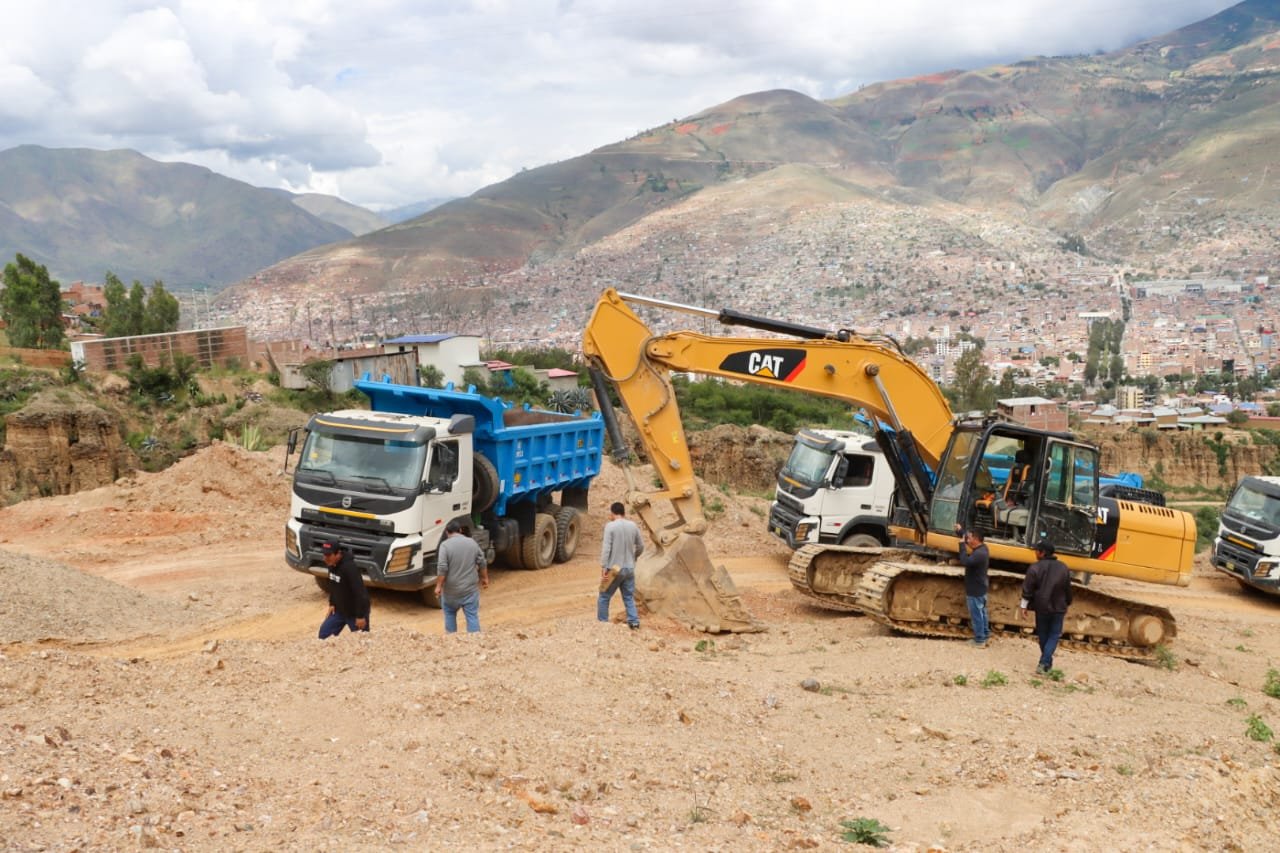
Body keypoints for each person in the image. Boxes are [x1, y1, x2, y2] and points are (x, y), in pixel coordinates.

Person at [1020, 541, 1073, 674]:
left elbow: (1027, 589)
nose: (1035, 553)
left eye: (1036, 551)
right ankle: (1046, 663)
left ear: (1042, 552)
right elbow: (1068, 588)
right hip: (1059, 608)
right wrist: (1068, 602)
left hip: (1041, 607)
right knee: (1054, 635)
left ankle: (1044, 663)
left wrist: (1024, 606)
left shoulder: (1035, 568)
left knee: (1043, 634)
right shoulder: (1063, 567)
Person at [434, 519, 488, 633]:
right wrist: (485, 578)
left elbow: (442, 568)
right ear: (460, 530)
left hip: (451, 592)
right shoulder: (472, 542)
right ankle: (475, 641)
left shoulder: (445, 546)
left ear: (447, 533)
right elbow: (482, 562)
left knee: (449, 613)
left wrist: (438, 586)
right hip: (470, 590)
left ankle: (452, 640)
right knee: (472, 616)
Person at [599, 501, 644, 629]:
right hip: (629, 567)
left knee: (604, 595)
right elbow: (641, 546)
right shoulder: (633, 526)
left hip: (614, 568)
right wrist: (634, 556)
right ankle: (634, 622)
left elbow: (606, 548)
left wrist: (603, 566)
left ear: (612, 513)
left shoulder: (610, 526)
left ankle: (602, 624)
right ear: (623, 512)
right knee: (628, 596)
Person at [317, 540, 370, 639]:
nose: (325, 558)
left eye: (328, 555)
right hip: (339, 611)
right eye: (324, 555)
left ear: (338, 554)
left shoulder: (350, 568)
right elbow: (333, 584)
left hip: (355, 612)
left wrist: (360, 616)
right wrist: (332, 603)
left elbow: (360, 593)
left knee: (361, 640)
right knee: (324, 636)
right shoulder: (331, 564)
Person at [956, 526, 990, 647]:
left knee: (977, 616)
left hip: (975, 590)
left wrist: (961, 546)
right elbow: (968, 536)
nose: (967, 540)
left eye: (969, 538)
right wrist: (960, 531)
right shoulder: (983, 548)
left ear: (975, 539)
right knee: (982, 614)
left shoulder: (979, 554)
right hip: (980, 588)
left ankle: (980, 640)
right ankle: (985, 636)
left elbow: (965, 561)